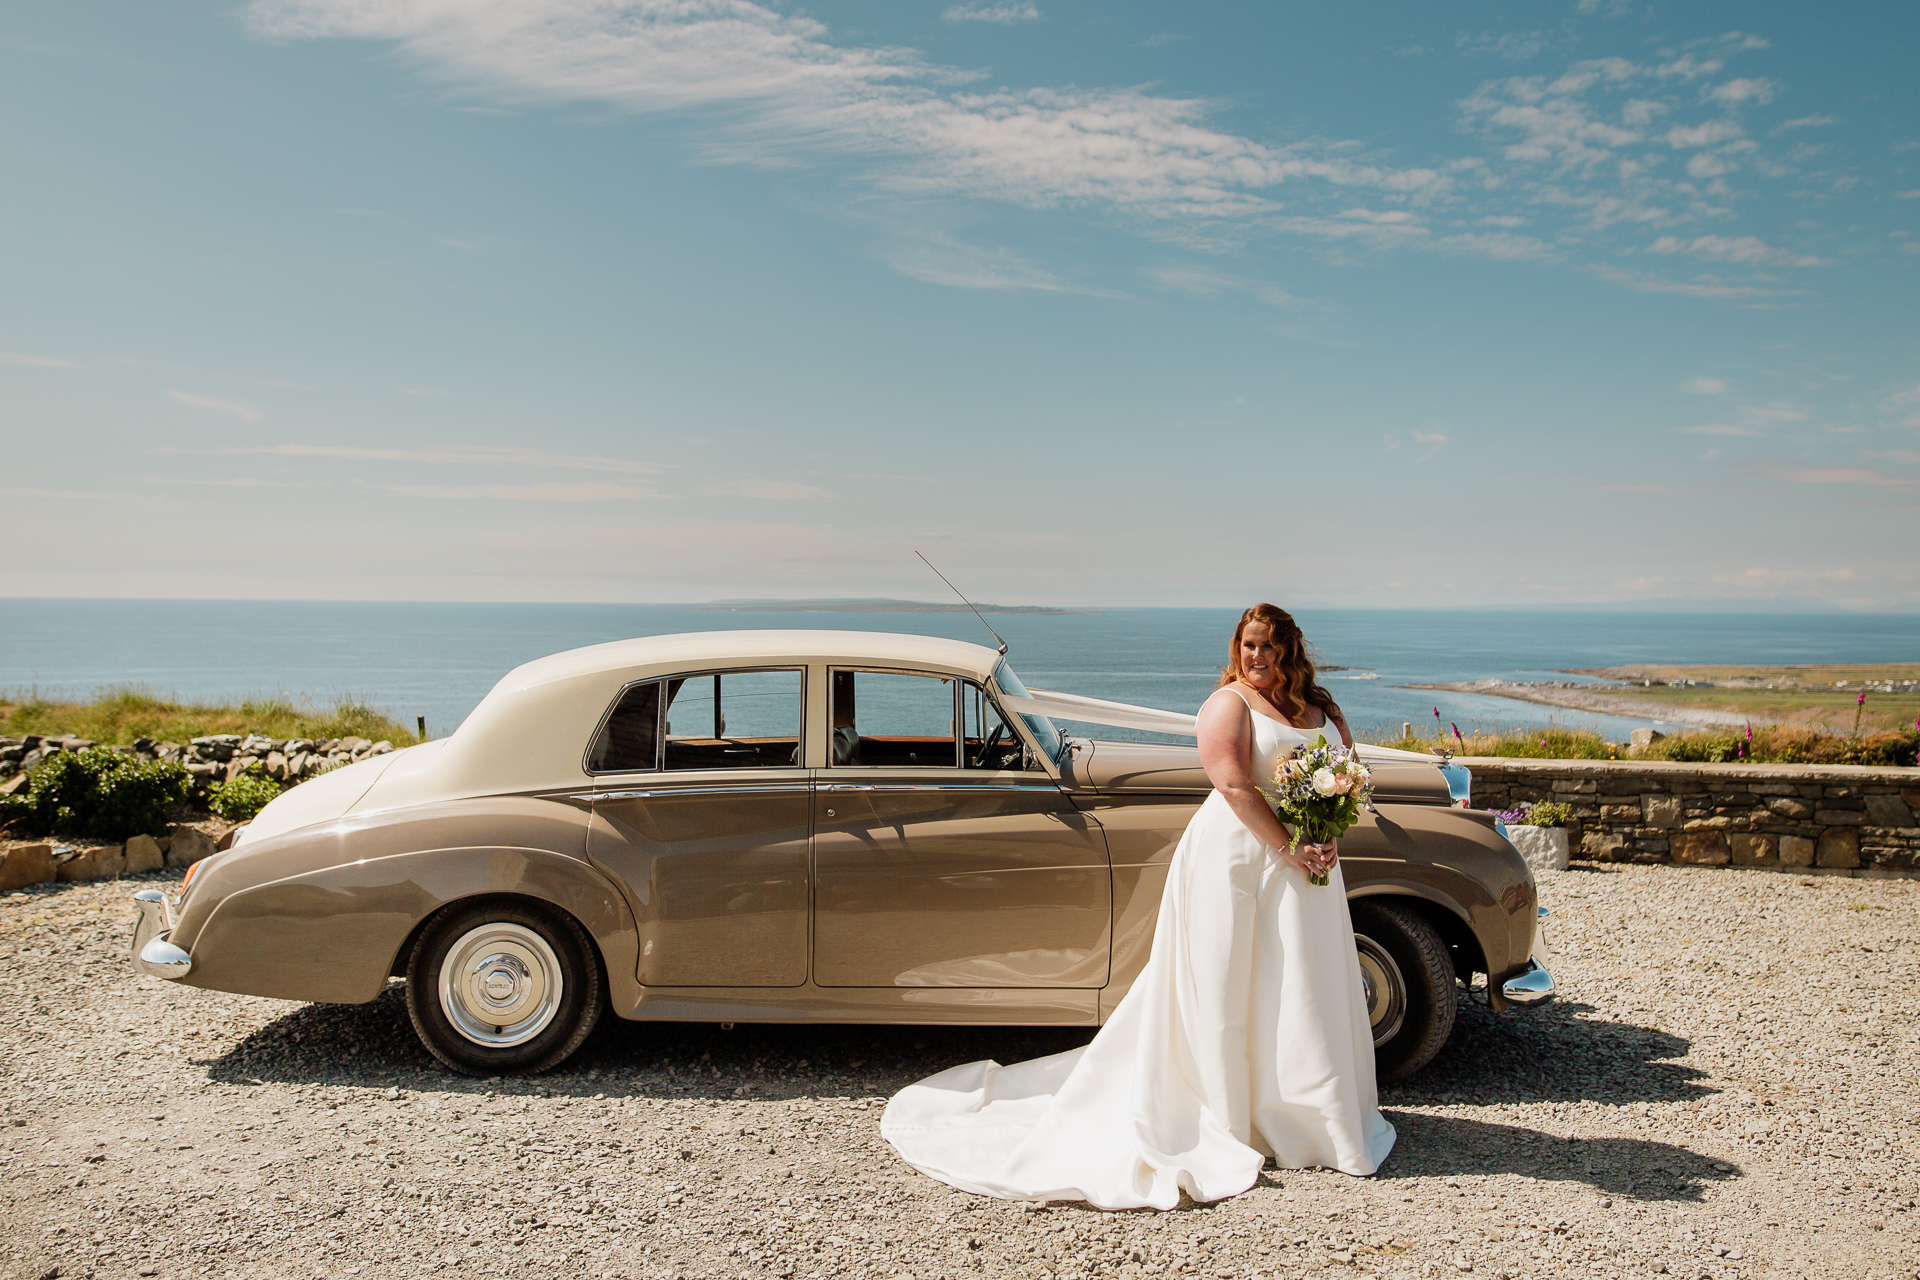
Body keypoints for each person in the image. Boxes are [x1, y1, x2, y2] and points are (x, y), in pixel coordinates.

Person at [880, 603, 1395, 1210]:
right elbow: (1232, 783)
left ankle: (1311, 1114)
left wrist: (1327, 829)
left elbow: (1343, 769)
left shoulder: (1322, 707)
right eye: (1249, 646)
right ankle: (1231, 1117)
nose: (1258, 658)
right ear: (1238, 648)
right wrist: (1288, 846)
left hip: (1309, 858)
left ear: (1290, 651)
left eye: (1269, 648)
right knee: (1229, 982)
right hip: (1242, 856)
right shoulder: (1228, 704)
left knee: (1303, 981)